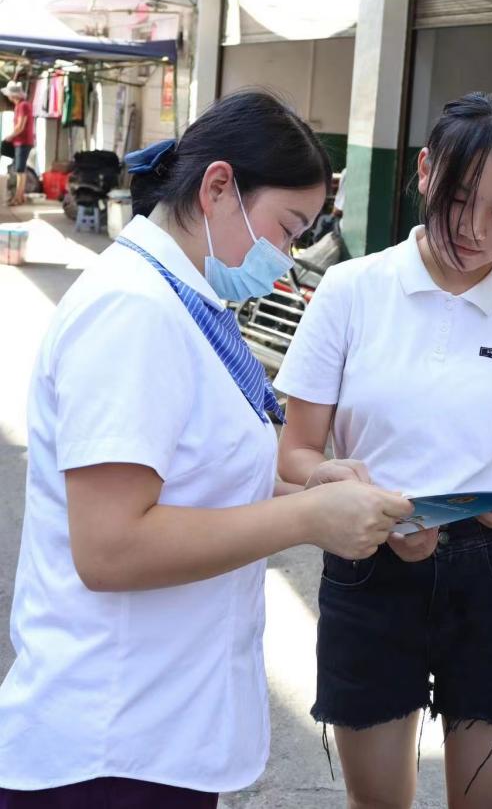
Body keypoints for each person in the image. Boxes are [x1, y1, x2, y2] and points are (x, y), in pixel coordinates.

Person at [0, 89, 412, 808]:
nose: (284, 261)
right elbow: (110, 547)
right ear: (219, 187)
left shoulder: (185, 303)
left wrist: (313, 491)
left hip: (163, 729)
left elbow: (196, 476)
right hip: (111, 746)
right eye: (286, 230)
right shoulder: (132, 311)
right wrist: (306, 519)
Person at [276, 91, 492, 809]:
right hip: (371, 566)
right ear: (424, 171)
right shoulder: (352, 291)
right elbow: (294, 453)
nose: (475, 230)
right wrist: (337, 484)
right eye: (457, 199)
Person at [1, 81, 34, 207]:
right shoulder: (20, 106)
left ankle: (18, 197)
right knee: (19, 169)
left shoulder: (23, 106)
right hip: (20, 141)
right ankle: (20, 196)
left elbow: (20, 126)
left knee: (20, 170)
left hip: (23, 141)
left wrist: (9, 137)